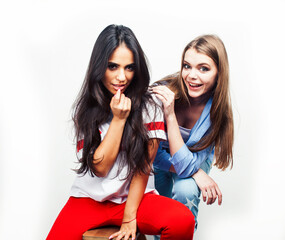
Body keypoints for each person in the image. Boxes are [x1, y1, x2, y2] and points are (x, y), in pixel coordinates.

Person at [46, 24, 195, 240]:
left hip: (135, 199)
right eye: (113, 67)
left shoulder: (150, 105)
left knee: (182, 220)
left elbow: (143, 167)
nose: (122, 77)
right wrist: (118, 119)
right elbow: (100, 168)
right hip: (89, 200)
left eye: (129, 67)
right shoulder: (84, 109)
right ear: (99, 67)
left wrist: (129, 217)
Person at [152, 34, 234, 230]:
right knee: (158, 202)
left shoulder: (216, 113)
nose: (191, 75)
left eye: (203, 68)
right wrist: (196, 172)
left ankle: (183, 232)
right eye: (187, 66)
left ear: (218, 74)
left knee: (185, 189)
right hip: (160, 159)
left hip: (193, 160)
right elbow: (150, 153)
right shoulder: (162, 93)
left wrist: (170, 117)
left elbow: (194, 162)